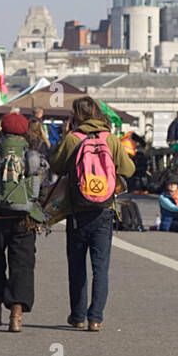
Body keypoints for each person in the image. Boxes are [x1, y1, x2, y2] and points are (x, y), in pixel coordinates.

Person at [49, 95, 135, 331]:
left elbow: (55, 166)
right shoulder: (110, 138)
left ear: (75, 115)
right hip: (104, 210)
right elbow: (129, 168)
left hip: (77, 210)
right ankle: (95, 318)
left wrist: (65, 137)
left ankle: (77, 315)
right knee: (100, 267)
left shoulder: (72, 138)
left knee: (76, 266)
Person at [0, 112, 46, 332]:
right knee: (22, 266)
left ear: (2, 130)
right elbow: (39, 186)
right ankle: (15, 318)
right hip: (24, 218)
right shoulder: (31, 155)